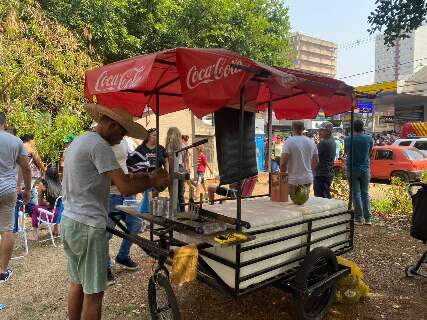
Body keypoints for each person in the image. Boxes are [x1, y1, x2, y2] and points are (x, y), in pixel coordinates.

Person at [60, 104, 169, 320]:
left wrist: (145, 178)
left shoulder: (80, 141)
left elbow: (113, 180)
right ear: (111, 124)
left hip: (71, 221)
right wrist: (154, 181)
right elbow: (125, 187)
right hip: (88, 226)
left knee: (78, 283)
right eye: (122, 132)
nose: (122, 138)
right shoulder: (100, 146)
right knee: (94, 293)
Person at [106, 138, 142, 286]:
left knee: (136, 224)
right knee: (105, 233)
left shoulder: (126, 141)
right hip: (109, 194)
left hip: (128, 193)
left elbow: (136, 160)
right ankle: (105, 267)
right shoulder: (100, 143)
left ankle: (122, 256)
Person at [0, 112, 31, 284]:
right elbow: (26, 168)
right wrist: (26, 190)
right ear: (4, 123)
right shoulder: (16, 141)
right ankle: (2, 271)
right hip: (7, 188)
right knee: (6, 229)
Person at [345, 120, 373, 225]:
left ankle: (358, 218)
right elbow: (370, 152)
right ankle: (368, 219)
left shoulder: (348, 139)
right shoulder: (369, 138)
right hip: (365, 168)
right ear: (363, 127)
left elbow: (347, 152)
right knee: (365, 193)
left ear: (353, 128)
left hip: (352, 169)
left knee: (356, 193)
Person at [280, 121, 319, 194]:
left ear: (292, 129)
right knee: (303, 202)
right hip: (307, 178)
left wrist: (282, 178)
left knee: (292, 203)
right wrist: (310, 172)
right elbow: (316, 160)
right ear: (303, 129)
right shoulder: (311, 142)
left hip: (293, 180)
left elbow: (283, 163)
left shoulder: (289, 142)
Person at [29, 167, 62, 240]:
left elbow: (40, 202)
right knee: (57, 206)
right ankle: (56, 230)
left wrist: (47, 203)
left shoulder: (43, 184)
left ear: (47, 175)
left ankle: (35, 235)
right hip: (61, 215)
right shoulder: (60, 184)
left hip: (52, 216)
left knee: (35, 208)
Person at [21, 133, 46, 206]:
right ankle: (32, 208)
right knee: (29, 190)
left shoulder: (19, 146)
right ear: (30, 140)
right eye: (34, 140)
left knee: (32, 190)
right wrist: (44, 170)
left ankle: (34, 207)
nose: (35, 142)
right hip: (30, 173)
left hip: (21, 173)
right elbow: (38, 161)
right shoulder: (30, 149)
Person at [313, 122, 336, 198]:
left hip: (322, 174)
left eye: (321, 130)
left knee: (321, 198)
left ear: (328, 131)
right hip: (327, 172)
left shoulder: (324, 143)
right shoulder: (331, 141)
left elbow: (313, 155)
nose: (319, 132)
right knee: (326, 196)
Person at [165, 127, 186, 212]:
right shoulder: (183, 145)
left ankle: (175, 212)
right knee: (180, 194)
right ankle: (182, 212)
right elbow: (184, 159)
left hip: (172, 168)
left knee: (173, 194)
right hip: (181, 168)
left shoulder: (169, 146)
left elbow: (169, 160)